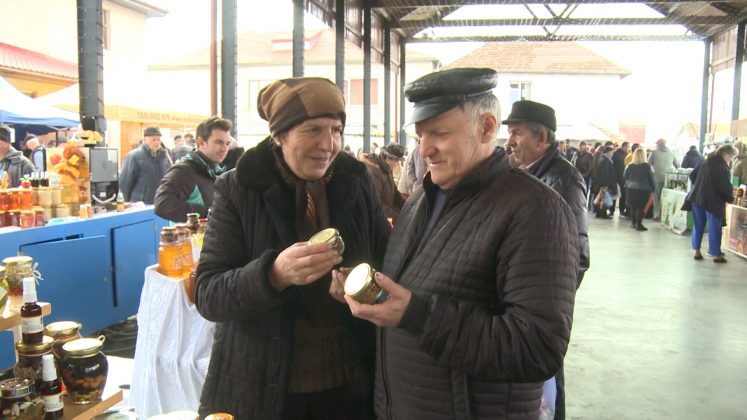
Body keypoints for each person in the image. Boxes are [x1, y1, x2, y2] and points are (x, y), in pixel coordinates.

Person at [342, 68, 578, 419]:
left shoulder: (535, 209)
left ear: (486, 127)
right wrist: (369, 291)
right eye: (421, 135)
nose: (424, 149)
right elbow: (417, 287)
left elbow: (538, 348)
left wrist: (418, 316)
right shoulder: (422, 198)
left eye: (439, 134)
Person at [194, 77, 390, 419]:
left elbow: (389, 261)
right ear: (279, 135)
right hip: (264, 387)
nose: (328, 144)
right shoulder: (239, 189)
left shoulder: (357, 181)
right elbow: (208, 293)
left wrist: (362, 284)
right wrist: (273, 274)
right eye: (312, 130)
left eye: (336, 130)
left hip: (351, 383)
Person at [503, 99, 589, 420]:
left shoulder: (563, 180)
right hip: (522, 303)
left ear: (542, 137)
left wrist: (548, 303)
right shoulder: (523, 173)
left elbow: (577, 254)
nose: (510, 141)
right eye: (510, 133)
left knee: (549, 387)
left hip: (541, 310)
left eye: (517, 133)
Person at [154, 117, 232, 222]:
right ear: (201, 142)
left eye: (227, 143)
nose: (224, 149)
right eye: (219, 142)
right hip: (191, 232)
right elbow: (162, 205)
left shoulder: (215, 171)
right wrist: (208, 213)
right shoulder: (183, 171)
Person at [682, 144, 737, 263]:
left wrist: (701, 184)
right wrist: (730, 198)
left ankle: (697, 251)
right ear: (726, 155)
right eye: (731, 157)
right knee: (714, 227)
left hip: (697, 197)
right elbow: (724, 186)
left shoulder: (705, 161)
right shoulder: (722, 167)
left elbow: (692, 175)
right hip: (713, 201)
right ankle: (716, 254)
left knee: (698, 225)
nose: (731, 160)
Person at [119, 126, 171, 204]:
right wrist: (125, 203)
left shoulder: (164, 156)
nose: (156, 143)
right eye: (153, 139)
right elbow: (125, 183)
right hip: (140, 203)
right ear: (145, 140)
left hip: (161, 202)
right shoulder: (134, 156)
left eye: (158, 139)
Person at [363, 143, 406, 222]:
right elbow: (376, 203)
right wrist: (398, 217)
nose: (398, 163)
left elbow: (394, 191)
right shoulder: (373, 171)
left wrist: (406, 207)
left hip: (384, 212)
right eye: (396, 160)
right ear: (388, 158)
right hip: (376, 218)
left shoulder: (386, 168)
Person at [624, 147, 656, 231]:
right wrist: (653, 188)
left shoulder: (629, 165)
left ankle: (633, 222)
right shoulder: (647, 166)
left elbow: (625, 176)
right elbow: (651, 178)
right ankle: (639, 224)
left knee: (633, 206)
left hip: (630, 188)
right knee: (640, 207)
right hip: (643, 189)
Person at [649, 138, 679, 220]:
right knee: (665, 196)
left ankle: (657, 214)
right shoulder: (671, 153)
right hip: (668, 178)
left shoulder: (654, 153)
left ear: (658, 144)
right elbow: (677, 166)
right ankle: (664, 215)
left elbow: (648, 165)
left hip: (656, 177)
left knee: (656, 197)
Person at [592, 146, 617, 219]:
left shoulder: (603, 159)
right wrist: (606, 184)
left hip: (600, 182)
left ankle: (599, 213)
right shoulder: (605, 160)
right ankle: (603, 213)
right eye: (612, 152)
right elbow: (605, 173)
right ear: (608, 152)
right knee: (603, 198)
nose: (612, 154)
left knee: (601, 198)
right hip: (603, 183)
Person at [612, 142, 630, 216]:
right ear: (624, 147)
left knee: (623, 195)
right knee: (615, 194)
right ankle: (613, 210)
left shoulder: (626, 155)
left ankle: (621, 210)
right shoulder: (616, 154)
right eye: (628, 147)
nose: (628, 149)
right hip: (617, 177)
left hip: (623, 178)